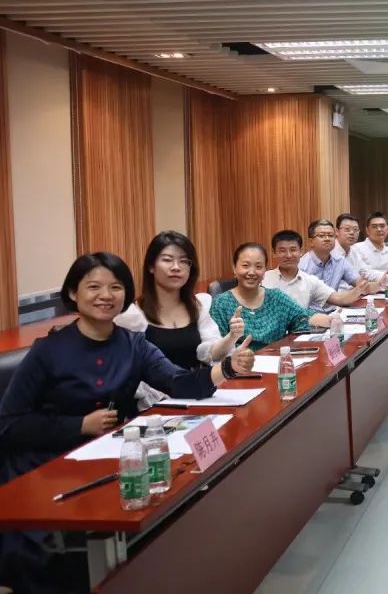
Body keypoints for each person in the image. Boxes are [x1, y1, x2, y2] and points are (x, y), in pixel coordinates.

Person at [0, 253, 255, 592]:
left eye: (116, 287)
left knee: (169, 515)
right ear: (74, 293)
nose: (106, 295)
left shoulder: (133, 344)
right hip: (47, 470)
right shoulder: (48, 350)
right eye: (94, 287)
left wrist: (227, 368)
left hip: (111, 462)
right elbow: (8, 423)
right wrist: (78, 426)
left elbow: (177, 382)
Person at [114, 231, 236, 371]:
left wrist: (231, 337)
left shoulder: (197, 306)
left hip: (194, 384)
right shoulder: (131, 314)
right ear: (151, 266)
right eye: (167, 260)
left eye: (184, 261)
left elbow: (211, 353)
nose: (176, 267)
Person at [210, 243, 331, 349]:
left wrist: (333, 321)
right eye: (245, 266)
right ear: (234, 268)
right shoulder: (221, 303)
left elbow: (302, 316)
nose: (251, 272)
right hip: (239, 364)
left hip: (276, 362)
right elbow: (214, 351)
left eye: (258, 267)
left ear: (265, 271)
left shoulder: (275, 297)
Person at [264, 230, 367, 309]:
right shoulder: (264, 279)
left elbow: (339, 299)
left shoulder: (310, 281)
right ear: (274, 253)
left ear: (301, 251)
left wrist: (358, 289)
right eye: (282, 251)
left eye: (293, 250)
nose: (289, 255)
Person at [300, 218, 374, 291]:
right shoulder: (302, 265)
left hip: (338, 298)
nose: (327, 239)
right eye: (322, 236)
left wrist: (377, 284)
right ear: (311, 241)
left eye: (331, 235)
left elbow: (359, 283)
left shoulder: (340, 261)